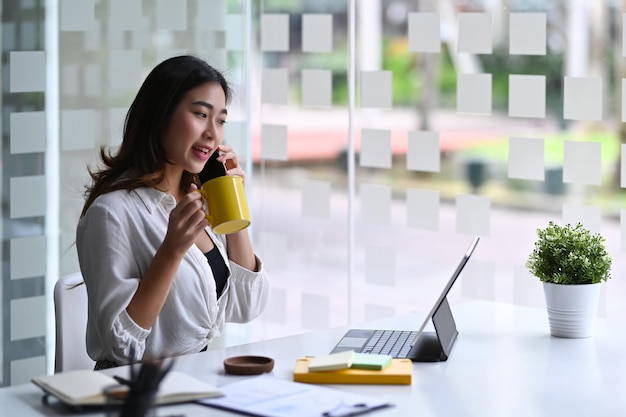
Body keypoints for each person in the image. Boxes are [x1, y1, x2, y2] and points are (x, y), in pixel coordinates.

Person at [76, 55, 270, 370]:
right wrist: (172, 249)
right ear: (161, 115)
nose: (213, 133)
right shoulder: (111, 212)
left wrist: (233, 200)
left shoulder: (198, 198)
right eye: (200, 114)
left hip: (195, 381)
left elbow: (247, 306)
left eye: (220, 120)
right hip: (135, 392)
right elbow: (120, 343)